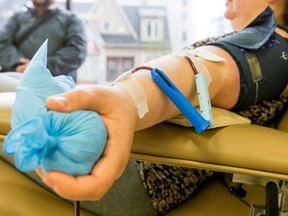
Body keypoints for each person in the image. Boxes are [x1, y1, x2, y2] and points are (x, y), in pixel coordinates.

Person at [16, 0, 288, 215]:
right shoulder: (259, 40)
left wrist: (129, 98)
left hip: (138, 169)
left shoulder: (274, 48)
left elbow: (211, 69)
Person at [0, 0, 87, 91]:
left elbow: (77, 51)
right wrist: (17, 64)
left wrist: (42, 67)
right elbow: (2, 43)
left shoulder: (70, 19)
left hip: (55, 86)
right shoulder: (17, 18)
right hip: (17, 81)